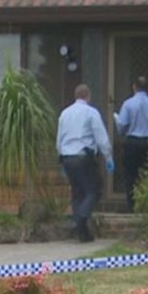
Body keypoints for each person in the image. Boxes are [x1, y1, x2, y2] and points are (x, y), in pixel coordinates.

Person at [56, 84, 115, 243]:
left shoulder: (64, 114)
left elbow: (59, 139)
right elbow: (101, 138)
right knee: (94, 190)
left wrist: (61, 160)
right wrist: (108, 157)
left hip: (67, 157)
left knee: (77, 192)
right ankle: (81, 218)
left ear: (76, 96)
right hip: (84, 157)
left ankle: (82, 232)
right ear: (88, 96)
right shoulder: (91, 112)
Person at [114, 76, 148, 212]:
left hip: (133, 142)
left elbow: (122, 127)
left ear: (134, 87)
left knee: (131, 175)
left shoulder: (128, 104)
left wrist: (117, 121)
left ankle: (132, 207)